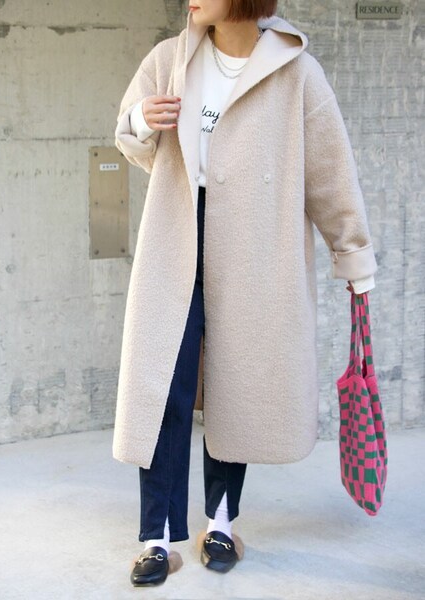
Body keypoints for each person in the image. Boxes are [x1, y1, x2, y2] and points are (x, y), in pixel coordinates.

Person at [113, 0, 377, 587]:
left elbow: (330, 173)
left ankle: (222, 523)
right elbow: (132, 141)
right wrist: (139, 120)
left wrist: (353, 254)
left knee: (236, 387)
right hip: (176, 238)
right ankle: (156, 537)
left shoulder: (296, 73)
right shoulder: (169, 59)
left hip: (255, 250)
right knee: (164, 388)